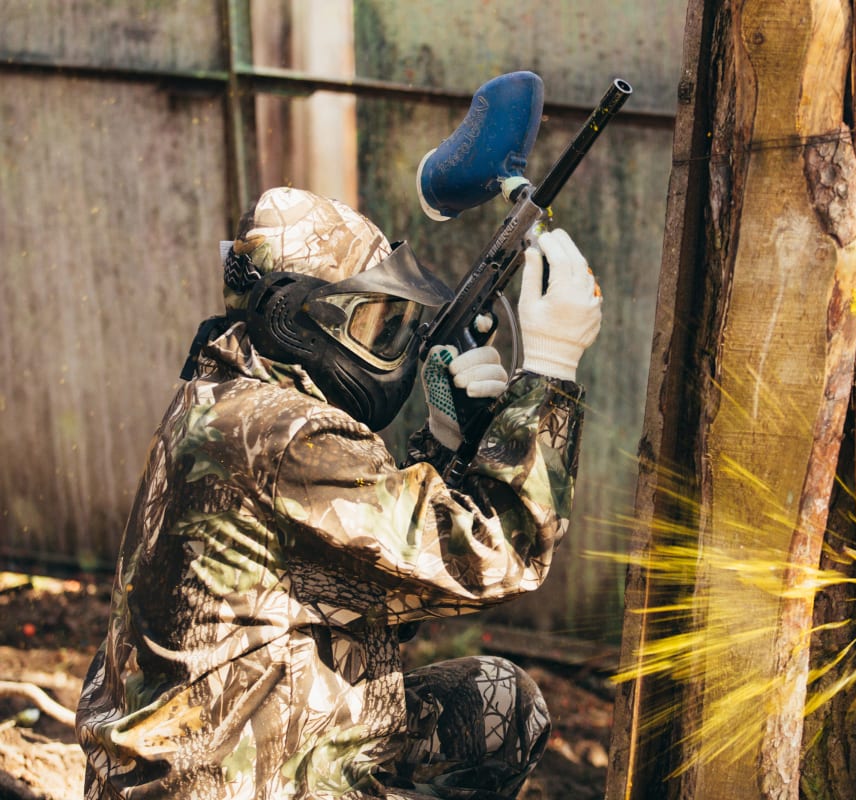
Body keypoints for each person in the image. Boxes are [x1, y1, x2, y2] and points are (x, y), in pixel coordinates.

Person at [75, 186, 603, 799]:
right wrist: (552, 368)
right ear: (296, 317)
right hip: (230, 781)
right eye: (375, 325)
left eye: (398, 326)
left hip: (200, 766)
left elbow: (372, 586)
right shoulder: (288, 433)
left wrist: (446, 440)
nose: (392, 350)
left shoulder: (221, 397)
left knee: (499, 705)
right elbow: (494, 558)